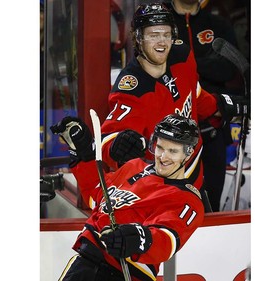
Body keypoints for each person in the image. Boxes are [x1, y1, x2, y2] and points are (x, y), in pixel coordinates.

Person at [98, 2, 247, 210]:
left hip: (196, 178)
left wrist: (220, 106)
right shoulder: (131, 88)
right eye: (153, 34)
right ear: (138, 38)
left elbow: (194, 95)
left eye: (166, 34)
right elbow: (108, 139)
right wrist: (117, 146)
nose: (161, 42)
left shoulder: (182, 55)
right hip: (162, 193)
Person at [50, 114, 205, 281]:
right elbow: (98, 195)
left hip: (124, 273)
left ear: (188, 154)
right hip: (84, 263)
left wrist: (138, 238)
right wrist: (84, 154)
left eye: (173, 151)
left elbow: (166, 240)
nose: (163, 157)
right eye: (160, 148)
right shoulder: (134, 166)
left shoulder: (187, 198)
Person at [165, 0, 245, 211]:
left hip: (211, 129)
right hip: (168, 132)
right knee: (172, 206)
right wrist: (206, 62)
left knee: (211, 206)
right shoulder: (161, 23)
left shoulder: (218, 24)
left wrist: (186, 65)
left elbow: (229, 69)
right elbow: (156, 66)